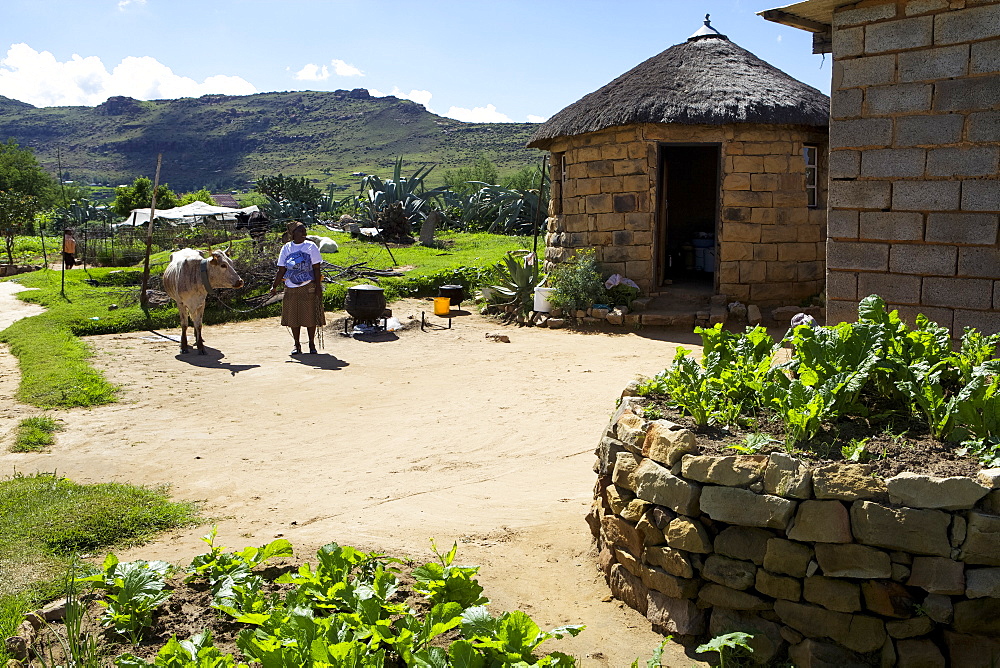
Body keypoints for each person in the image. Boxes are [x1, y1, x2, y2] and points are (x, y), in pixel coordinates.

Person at [270, 222, 325, 354]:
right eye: (300, 231)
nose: (303, 234)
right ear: (292, 233)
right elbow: (281, 269)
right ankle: (297, 345)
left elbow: (317, 268)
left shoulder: (311, 246)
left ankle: (312, 344)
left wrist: (318, 286)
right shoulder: (286, 248)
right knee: (294, 318)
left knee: (310, 317)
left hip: (308, 286)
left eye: (304, 231)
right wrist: (274, 286)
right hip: (291, 287)